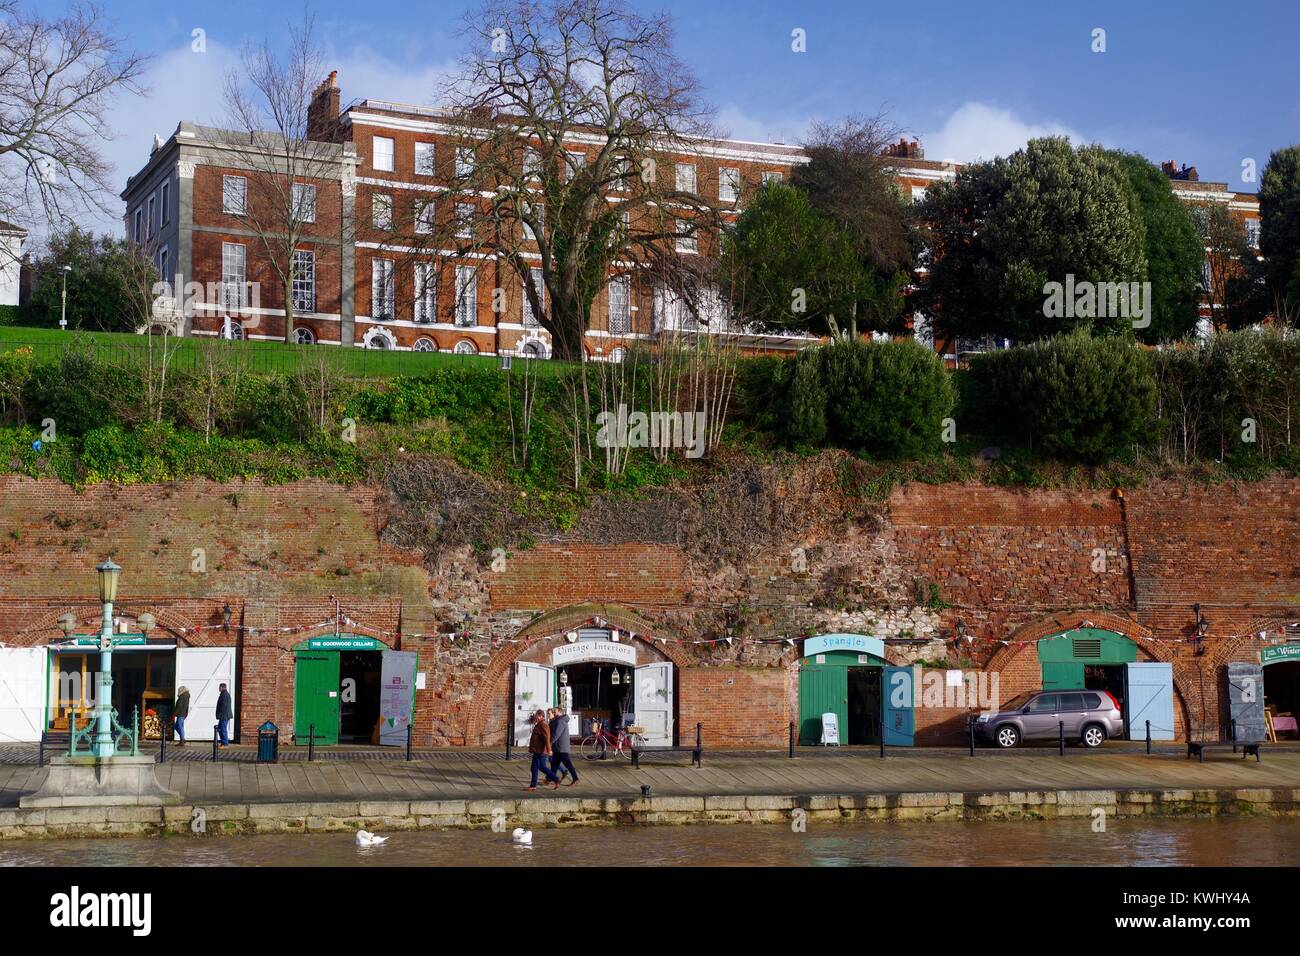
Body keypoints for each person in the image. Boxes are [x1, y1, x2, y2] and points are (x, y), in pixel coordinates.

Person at [526, 709, 559, 791]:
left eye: (537, 716)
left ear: (541, 716)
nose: (535, 717)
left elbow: (547, 738)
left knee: (534, 768)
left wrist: (549, 750)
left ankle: (533, 786)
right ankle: (556, 779)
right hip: (538, 750)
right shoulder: (539, 724)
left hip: (540, 751)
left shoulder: (543, 725)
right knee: (542, 767)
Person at [549, 707, 578, 786]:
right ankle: (550, 779)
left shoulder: (561, 721)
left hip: (561, 748)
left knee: (568, 764)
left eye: (555, 712)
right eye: (553, 712)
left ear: (559, 712)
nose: (554, 713)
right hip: (558, 748)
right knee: (554, 764)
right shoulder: (558, 720)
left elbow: (556, 735)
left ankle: (575, 779)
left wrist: (549, 743)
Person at [216, 682, 233, 747]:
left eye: (219, 687)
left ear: (222, 687)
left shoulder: (224, 695)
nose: (218, 689)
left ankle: (225, 744)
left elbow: (224, 706)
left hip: (224, 716)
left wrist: (220, 715)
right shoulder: (224, 694)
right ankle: (223, 742)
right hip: (224, 715)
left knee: (223, 729)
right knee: (220, 728)